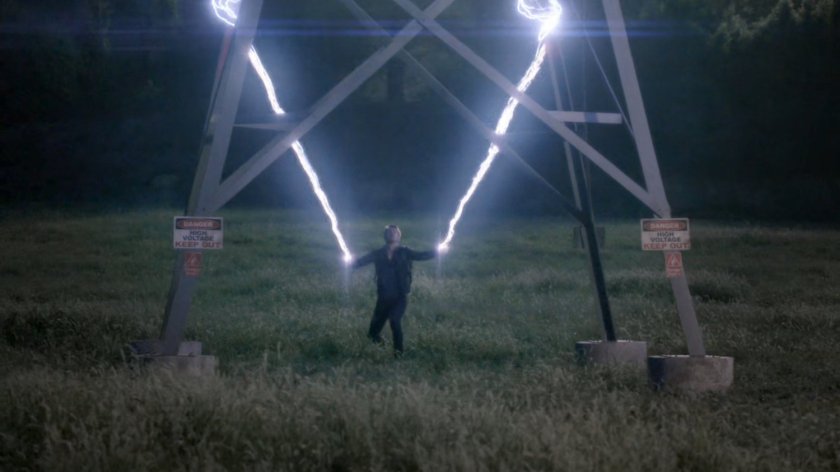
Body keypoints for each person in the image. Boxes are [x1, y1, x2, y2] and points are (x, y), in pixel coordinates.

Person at [350, 225, 437, 357]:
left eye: (395, 232)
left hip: (400, 296)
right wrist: (349, 262)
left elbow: (422, 255)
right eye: (389, 232)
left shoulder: (405, 252)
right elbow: (359, 262)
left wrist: (438, 251)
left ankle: (398, 354)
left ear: (399, 236)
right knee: (372, 334)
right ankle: (384, 346)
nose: (392, 234)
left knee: (395, 321)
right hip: (383, 298)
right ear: (385, 236)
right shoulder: (378, 253)